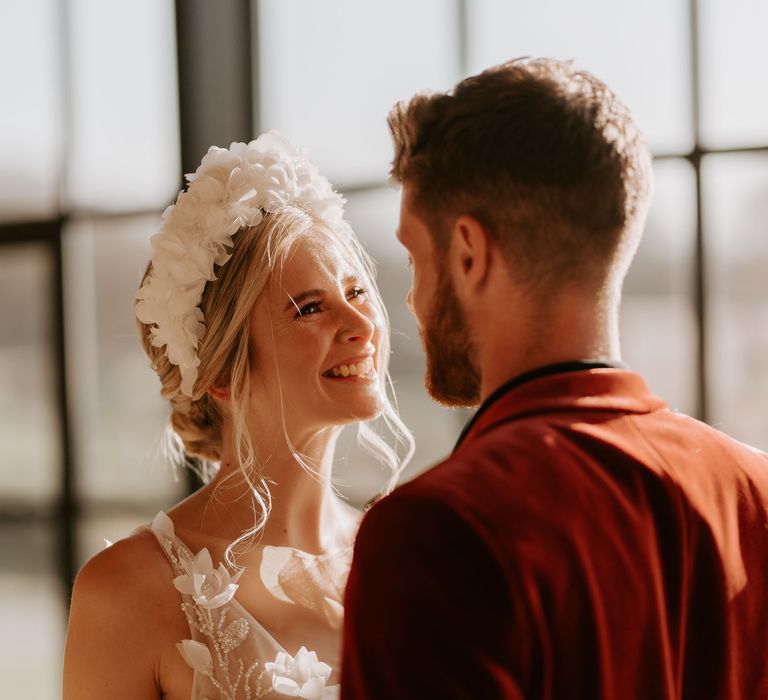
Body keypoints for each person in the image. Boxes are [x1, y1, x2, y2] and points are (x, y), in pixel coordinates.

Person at [341, 58, 768, 699]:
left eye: (413, 256)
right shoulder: (756, 493)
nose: (410, 299)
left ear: (467, 251)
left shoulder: (435, 532)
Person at [63, 131, 412, 699]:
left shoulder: (406, 555)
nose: (362, 325)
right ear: (222, 373)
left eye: (357, 292)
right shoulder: (126, 593)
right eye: (311, 308)